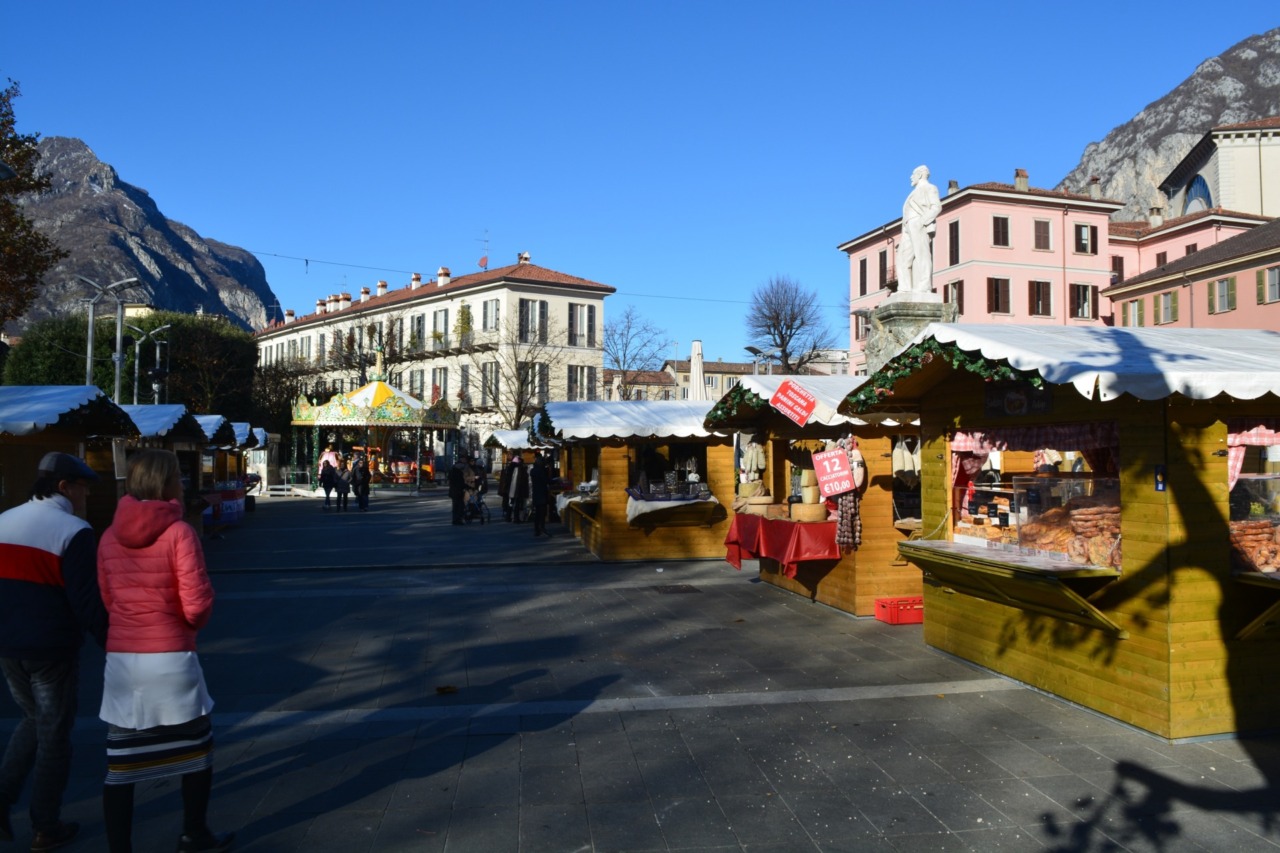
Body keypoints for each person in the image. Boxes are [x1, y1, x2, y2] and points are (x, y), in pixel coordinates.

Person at [96, 449, 233, 853]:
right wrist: (189, 625)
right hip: (171, 653)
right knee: (196, 749)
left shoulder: (107, 535)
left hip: (122, 658)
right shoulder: (179, 532)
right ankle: (194, 832)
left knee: (120, 764)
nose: (183, 483)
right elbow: (196, 601)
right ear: (166, 482)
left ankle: (119, 847)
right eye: (178, 476)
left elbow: (108, 599)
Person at [0, 453, 107, 852]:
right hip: (51, 648)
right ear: (64, 487)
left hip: (8, 646)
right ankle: (46, 824)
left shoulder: (3, 521)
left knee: (32, 718)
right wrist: (110, 640)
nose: (85, 495)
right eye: (82, 487)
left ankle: (3, 797)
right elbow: (85, 600)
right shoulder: (74, 530)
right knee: (54, 737)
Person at [895, 164, 942, 294]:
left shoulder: (930, 188)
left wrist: (922, 222)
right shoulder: (913, 193)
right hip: (907, 226)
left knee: (922, 255)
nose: (911, 177)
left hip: (918, 223)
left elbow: (936, 207)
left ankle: (925, 285)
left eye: (913, 174)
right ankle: (904, 287)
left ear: (920, 174)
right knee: (902, 258)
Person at [529, 453, 551, 537]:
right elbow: (546, 481)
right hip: (542, 493)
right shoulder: (541, 471)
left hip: (536, 493)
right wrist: (555, 480)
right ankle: (542, 527)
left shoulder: (533, 471)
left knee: (537, 513)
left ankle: (537, 529)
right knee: (542, 513)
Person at [503, 455, 529, 522]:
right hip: (517, 489)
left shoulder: (510, 468)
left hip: (511, 488)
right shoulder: (520, 468)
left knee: (511, 503)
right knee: (517, 503)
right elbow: (522, 480)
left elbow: (507, 479)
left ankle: (508, 517)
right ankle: (516, 518)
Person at [447, 455, 468, 525]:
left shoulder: (453, 468)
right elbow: (461, 481)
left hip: (454, 490)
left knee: (455, 505)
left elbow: (449, 478)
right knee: (460, 505)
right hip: (459, 490)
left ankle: (455, 519)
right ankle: (459, 519)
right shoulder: (461, 470)